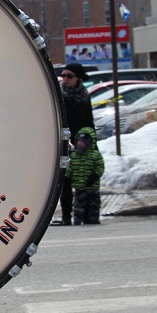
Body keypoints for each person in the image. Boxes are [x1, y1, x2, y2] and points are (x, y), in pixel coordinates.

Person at [51, 63, 95, 226]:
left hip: (82, 140)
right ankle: (66, 216)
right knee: (65, 181)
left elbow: (89, 120)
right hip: (64, 141)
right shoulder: (58, 94)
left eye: (69, 76)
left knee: (83, 178)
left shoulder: (84, 95)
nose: (65, 79)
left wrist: (89, 139)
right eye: (63, 76)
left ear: (78, 78)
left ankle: (86, 214)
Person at [65, 127, 104, 225]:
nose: (80, 144)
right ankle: (78, 219)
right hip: (79, 187)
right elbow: (70, 168)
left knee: (94, 204)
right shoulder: (74, 156)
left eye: (82, 142)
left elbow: (100, 167)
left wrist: (95, 176)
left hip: (92, 186)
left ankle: (93, 218)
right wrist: (66, 177)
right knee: (78, 204)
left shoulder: (95, 155)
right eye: (79, 142)